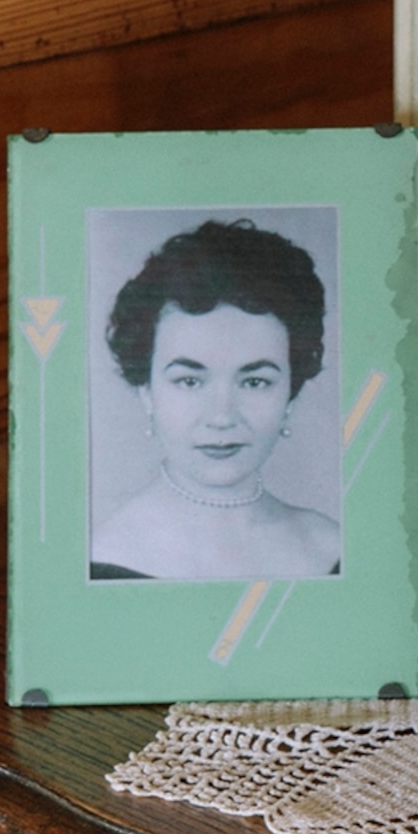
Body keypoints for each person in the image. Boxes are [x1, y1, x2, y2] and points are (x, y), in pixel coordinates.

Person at [90, 217, 342, 581]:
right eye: (190, 381)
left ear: (292, 392)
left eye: (255, 381)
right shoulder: (102, 558)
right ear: (146, 391)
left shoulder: (330, 546)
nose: (222, 417)